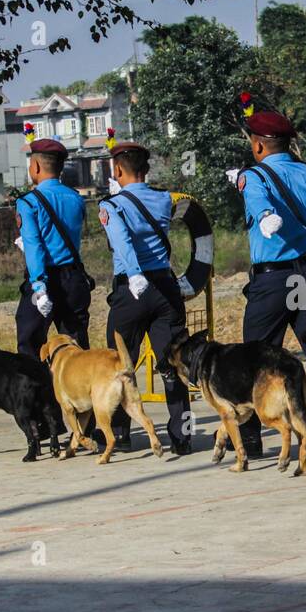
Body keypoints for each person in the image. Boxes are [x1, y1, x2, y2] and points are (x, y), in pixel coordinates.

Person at [236, 109, 306, 457]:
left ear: (259, 144)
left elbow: (259, 202)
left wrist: (264, 216)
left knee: (255, 358)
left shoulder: (254, 176)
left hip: (273, 280)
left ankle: (251, 440)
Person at [97, 142, 192, 455]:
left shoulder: (112, 205)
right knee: (174, 364)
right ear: (146, 170)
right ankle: (182, 436)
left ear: (118, 170)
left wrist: (135, 273)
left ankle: (121, 435)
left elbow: (122, 241)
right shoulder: (164, 199)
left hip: (131, 290)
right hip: (166, 288)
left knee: (120, 364)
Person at [15, 138, 91, 359]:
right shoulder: (76, 198)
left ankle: (37, 391)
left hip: (44, 279)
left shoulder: (28, 202)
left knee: (30, 343)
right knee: (76, 346)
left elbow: (34, 245)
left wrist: (39, 286)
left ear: (36, 166)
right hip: (73, 279)